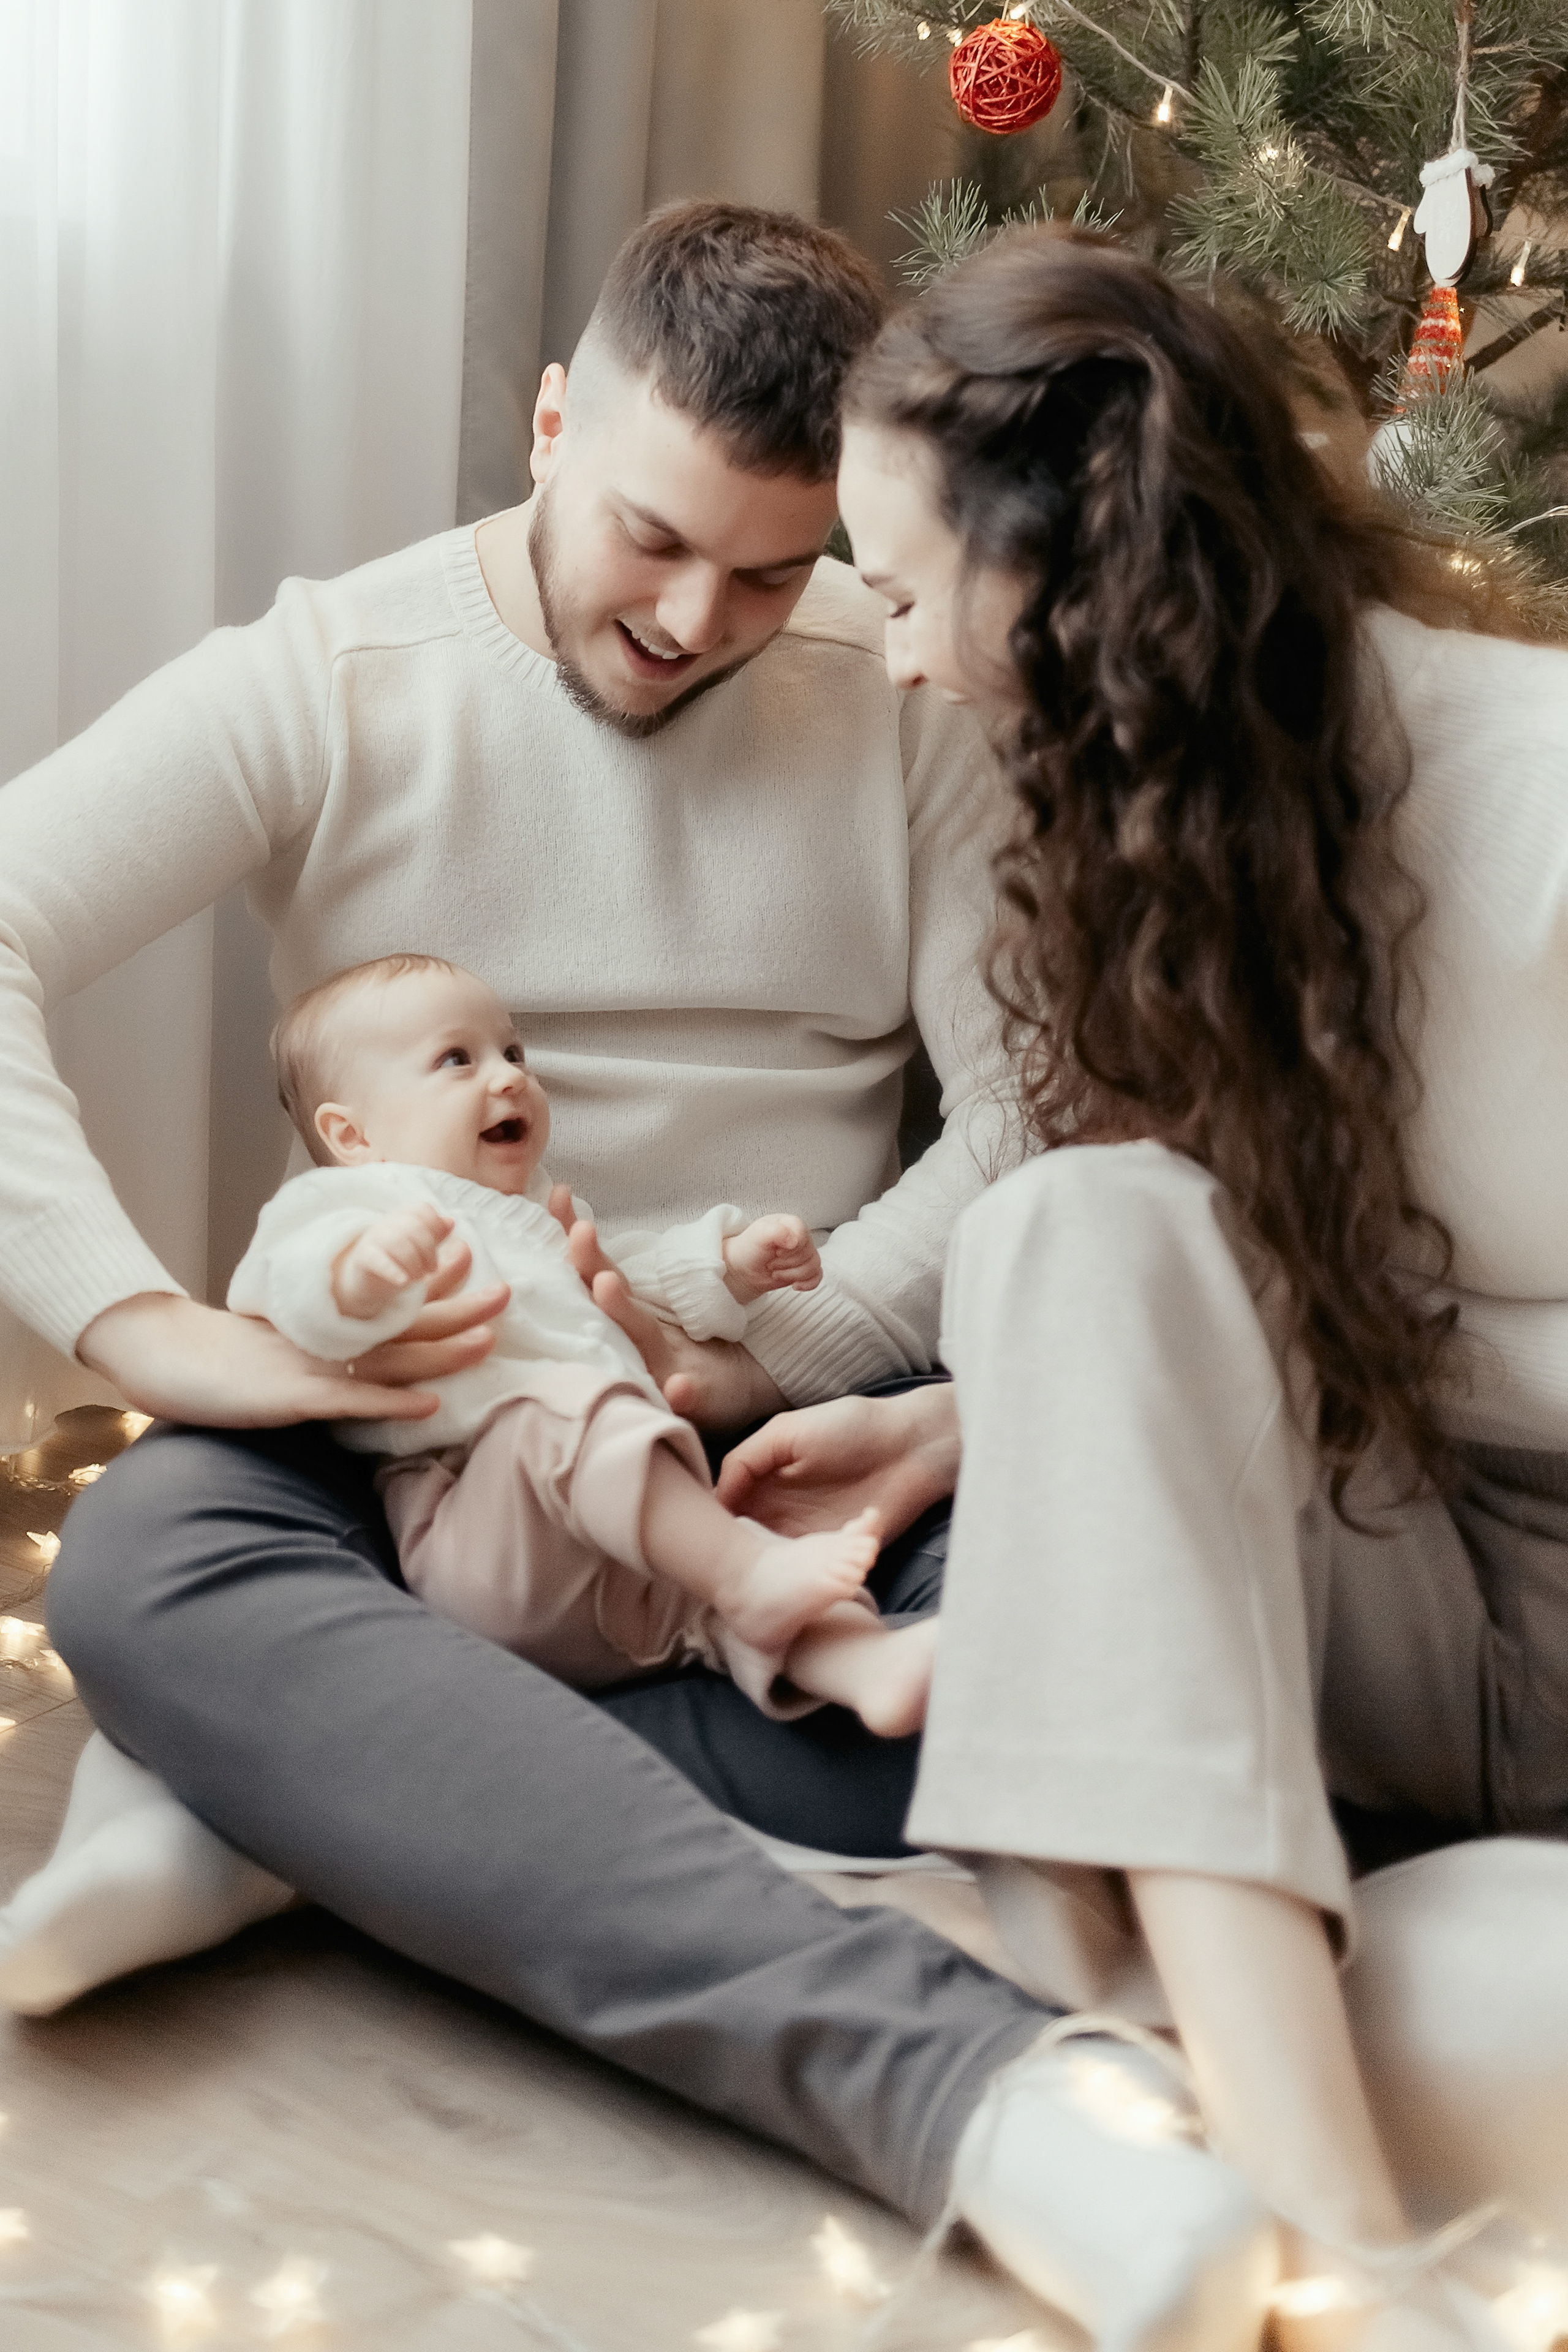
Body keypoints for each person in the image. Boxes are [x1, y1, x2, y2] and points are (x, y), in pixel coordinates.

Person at [0, 202, 1275, 2350]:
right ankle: (971, 2095)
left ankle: (310, 1789)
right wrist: (140, 1328)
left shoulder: (906, 693)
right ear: (552, 418)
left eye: (777, 569)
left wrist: (760, 1348)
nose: (701, 618)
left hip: (792, 1433)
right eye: (653, 539)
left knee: (1088, 1651)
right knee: (142, 1570)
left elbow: (1035, 1108)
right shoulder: (332, 676)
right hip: (407, 1421)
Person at [717, 222, 1568, 2342]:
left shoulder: (1536, 804)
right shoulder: (1163, 825)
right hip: (1404, 1584)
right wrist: (965, 1414)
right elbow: (1226, 1270)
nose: (897, 661)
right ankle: (1336, 2232)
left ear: (1067, 567)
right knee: (1067, 1228)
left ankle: (1116, 2036)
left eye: (905, 594)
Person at [233, 949, 934, 1732]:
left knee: (725, 1605)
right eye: (455, 1060)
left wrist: (731, 1267)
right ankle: (748, 1573)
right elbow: (280, 1286)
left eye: (512, 1053)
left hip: (617, 1559)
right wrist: (357, 1278)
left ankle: (868, 1667)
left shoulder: (540, 1218)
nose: (507, 1077)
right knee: (587, 1428)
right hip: (483, 1533)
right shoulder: (353, 1203)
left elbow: (627, 1282)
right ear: (351, 1133)